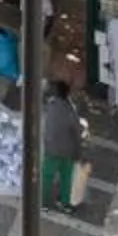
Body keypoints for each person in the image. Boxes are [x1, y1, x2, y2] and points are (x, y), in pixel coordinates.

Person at [39, 76, 86, 210]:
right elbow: (77, 134)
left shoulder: (51, 106)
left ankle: (42, 203)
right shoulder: (70, 111)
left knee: (46, 177)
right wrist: (78, 154)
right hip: (68, 151)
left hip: (51, 150)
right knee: (66, 178)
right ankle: (65, 203)